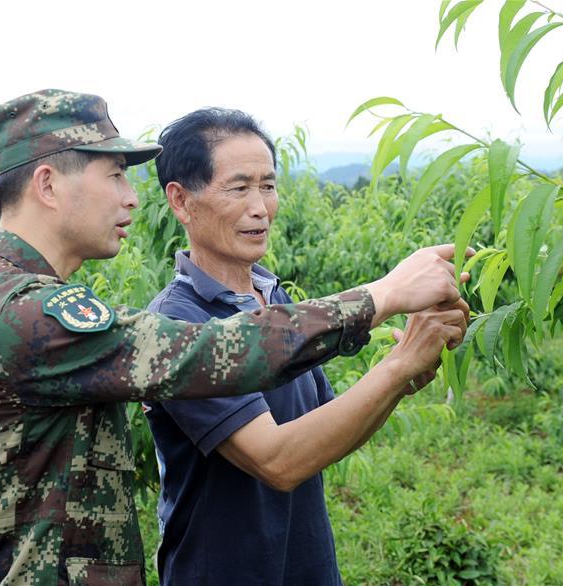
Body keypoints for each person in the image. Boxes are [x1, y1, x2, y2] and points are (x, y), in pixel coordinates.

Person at [0, 89, 469, 585]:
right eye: (116, 175)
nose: (131, 198)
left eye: (268, 185)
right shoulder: (29, 313)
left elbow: (317, 422)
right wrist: (385, 294)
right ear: (48, 185)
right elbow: (213, 352)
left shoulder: (7, 295)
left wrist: (404, 364)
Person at [143, 108, 469, 585]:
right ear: (181, 200)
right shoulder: (179, 324)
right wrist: (395, 367)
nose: (260, 207)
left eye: (268, 185)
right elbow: (278, 461)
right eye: (238, 188)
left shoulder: (275, 300)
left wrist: (405, 375)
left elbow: (326, 435)